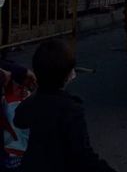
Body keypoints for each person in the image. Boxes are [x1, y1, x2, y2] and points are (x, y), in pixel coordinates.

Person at [14, 40, 116, 172]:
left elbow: (19, 120)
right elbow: (83, 156)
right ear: (69, 75)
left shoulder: (32, 103)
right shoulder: (70, 109)